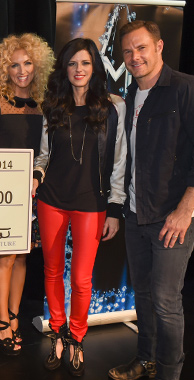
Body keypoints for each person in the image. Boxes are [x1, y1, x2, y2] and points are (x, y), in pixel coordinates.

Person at [32, 38, 126, 376]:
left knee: (82, 279)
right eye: (72, 64)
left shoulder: (115, 106)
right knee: (53, 271)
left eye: (84, 63)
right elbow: (43, 154)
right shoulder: (52, 104)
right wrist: (37, 175)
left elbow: (118, 161)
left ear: (94, 67)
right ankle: (57, 331)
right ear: (64, 68)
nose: (78, 70)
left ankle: (77, 337)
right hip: (52, 199)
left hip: (92, 203)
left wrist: (115, 207)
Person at [108, 20, 194, 380]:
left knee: (165, 301)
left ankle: (170, 374)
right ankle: (146, 360)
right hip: (135, 213)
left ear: (159, 47)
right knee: (142, 295)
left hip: (172, 216)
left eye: (141, 48)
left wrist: (186, 208)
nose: (134, 56)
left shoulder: (184, 88)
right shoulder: (129, 97)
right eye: (127, 51)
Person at [0, 33, 55, 355]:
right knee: (5, 257)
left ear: (38, 66)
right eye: (14, 65)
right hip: (1, 195)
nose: (22, 70)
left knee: (23, 256)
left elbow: (48, 152)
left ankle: (13, 316)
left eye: (27, 64)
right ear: (3, 69)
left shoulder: (45, 105)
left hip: (34, 194)